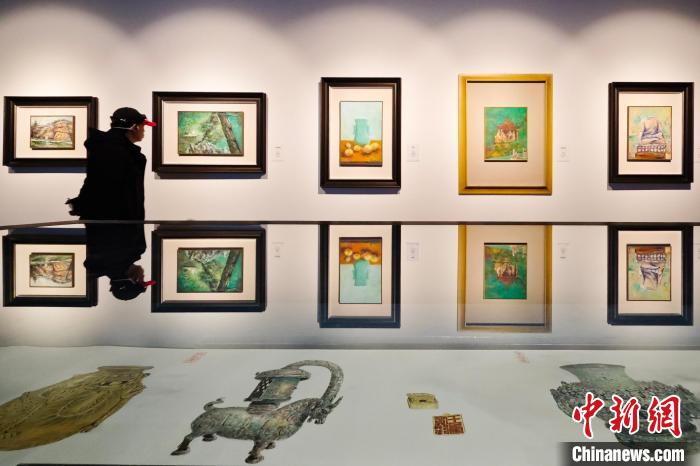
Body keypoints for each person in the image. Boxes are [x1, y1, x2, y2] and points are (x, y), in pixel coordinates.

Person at [66, 107, 156, 300]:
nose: (144, 130)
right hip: (117, 230)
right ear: (134, 127)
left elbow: (95, 184)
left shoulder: (108, 149)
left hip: (112, 229)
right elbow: (104, 187)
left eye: (142, 281)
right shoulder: (118, 152)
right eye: (143, 126)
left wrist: (82, 204)